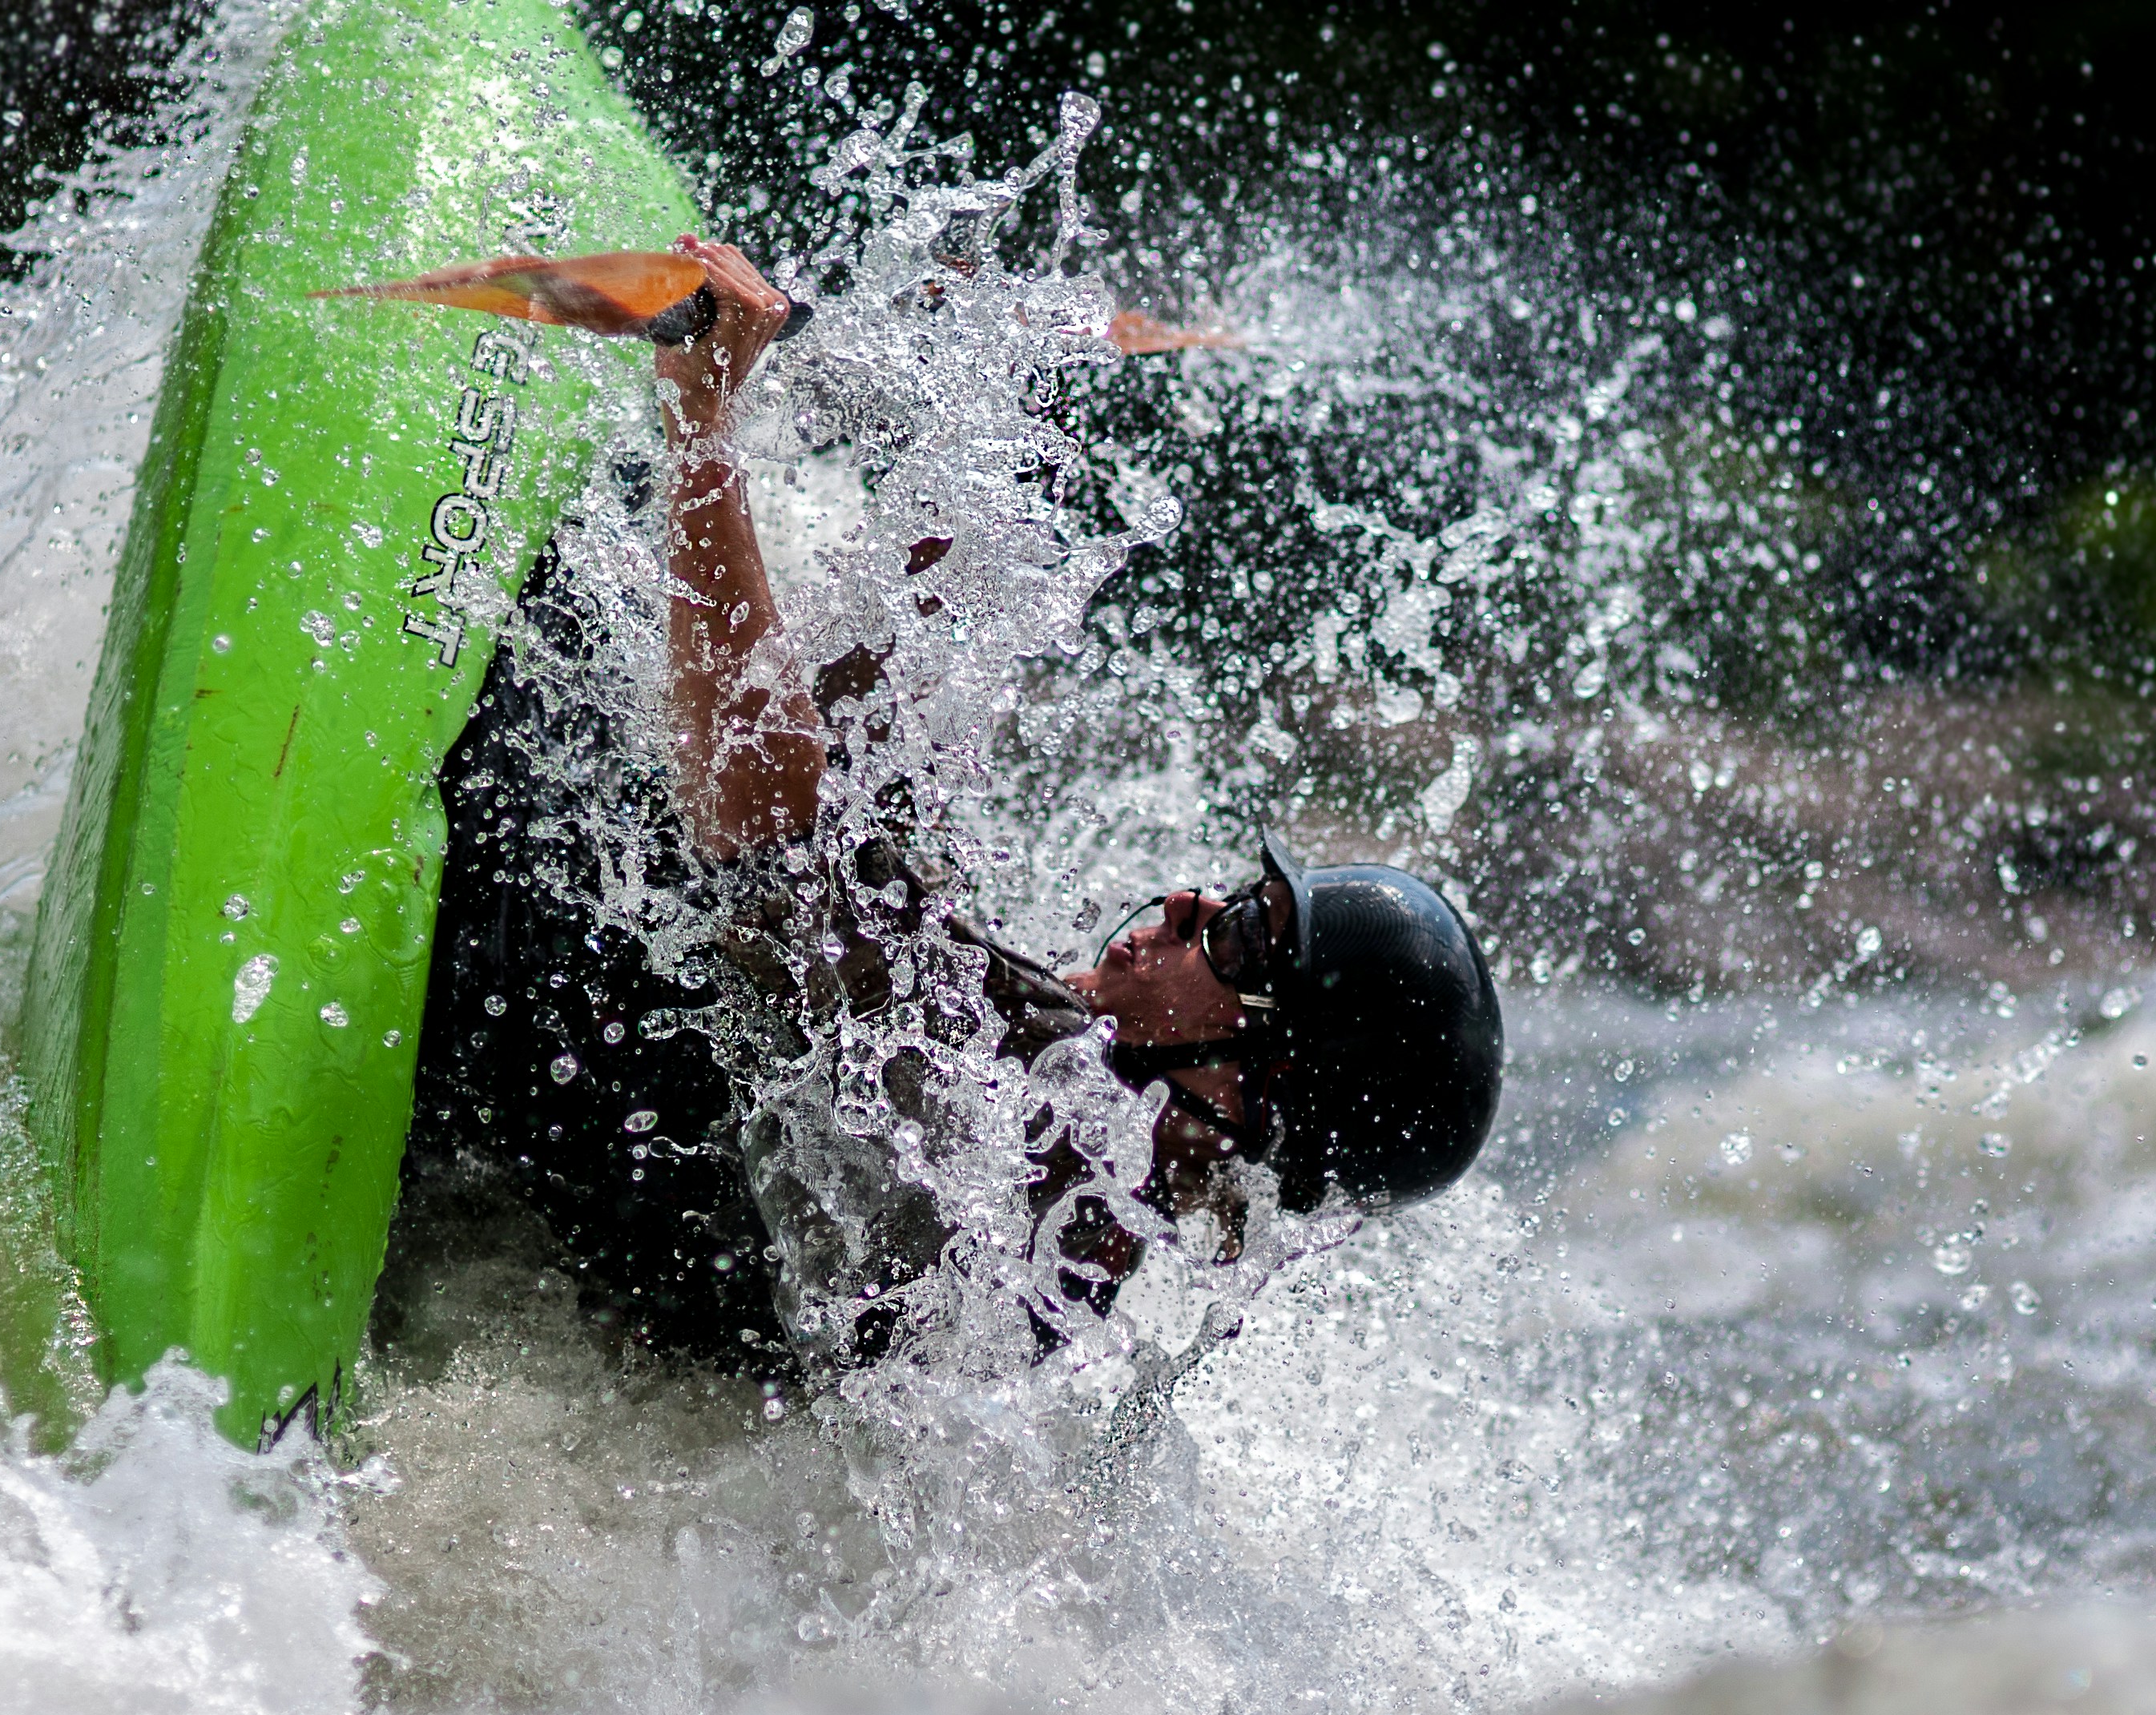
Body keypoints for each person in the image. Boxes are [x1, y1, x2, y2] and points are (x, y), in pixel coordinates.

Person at [404, 236, 1503, 1367]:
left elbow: (765, 820)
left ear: (1248, 1091)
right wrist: (970, 494)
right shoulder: (1090, 1222)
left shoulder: (1018, 1130)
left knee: (562, 661)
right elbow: (844, 781)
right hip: (613, 1227)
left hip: (517, 1058)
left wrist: (703, 421)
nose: (1183, 900)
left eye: (1232, 935)